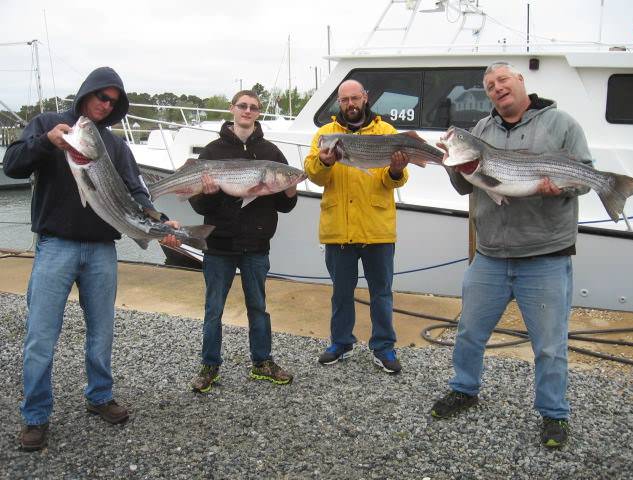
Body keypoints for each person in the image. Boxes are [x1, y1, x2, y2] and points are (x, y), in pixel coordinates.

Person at [3, 66, 181, 451]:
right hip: (55, 245)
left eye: (114, 102)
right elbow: (12, 164)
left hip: (102, 248)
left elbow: (137, 192)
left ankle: (99, 396)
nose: (106, 105)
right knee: (40, 336)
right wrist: (47, 142)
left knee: (101, 332)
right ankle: (35, 415)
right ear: (87, 92)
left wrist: (160, 222)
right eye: (102, 96)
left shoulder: (115, 146)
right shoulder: (50, 123)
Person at [430, 61, 593, 448]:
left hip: (545, 256)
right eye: (489, 86)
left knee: (550, 345)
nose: (497, 88)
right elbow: (464, 187)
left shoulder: (561, 124)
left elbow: (585, 178)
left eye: (503, 80)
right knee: (469, 331)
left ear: (520, 82)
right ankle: (464, 389)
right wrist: (450, 162)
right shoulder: (480, 132)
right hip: (489, 255)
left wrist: (565, 186)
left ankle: (554, 414)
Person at [189, 90, 297, 391]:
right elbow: (199, 207)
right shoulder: (212, 151)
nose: (247, 111)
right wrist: (208, 193)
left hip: (257, 245)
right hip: (219, 245)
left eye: (253, 107)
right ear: (232, 109)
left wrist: (290, 188)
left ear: (258, 113)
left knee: (258, 307)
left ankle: (262, 362)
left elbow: (285, 206)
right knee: (213, 310)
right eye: (243, 106)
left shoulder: (272, 154)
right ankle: (209, 366)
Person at [304, 79, 409, 374]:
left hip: (377, 227)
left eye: (355, 98)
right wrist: (324, 163)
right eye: (344, 100)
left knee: (382, 292)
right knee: (341, 292)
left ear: (365, 98)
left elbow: (394, 181)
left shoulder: (386, 132)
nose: (350, 104)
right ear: (339, 103)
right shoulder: (325, 134)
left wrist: (396, 169)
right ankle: (340, 342)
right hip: (339, 228)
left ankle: (384, 346)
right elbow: (313, 175)